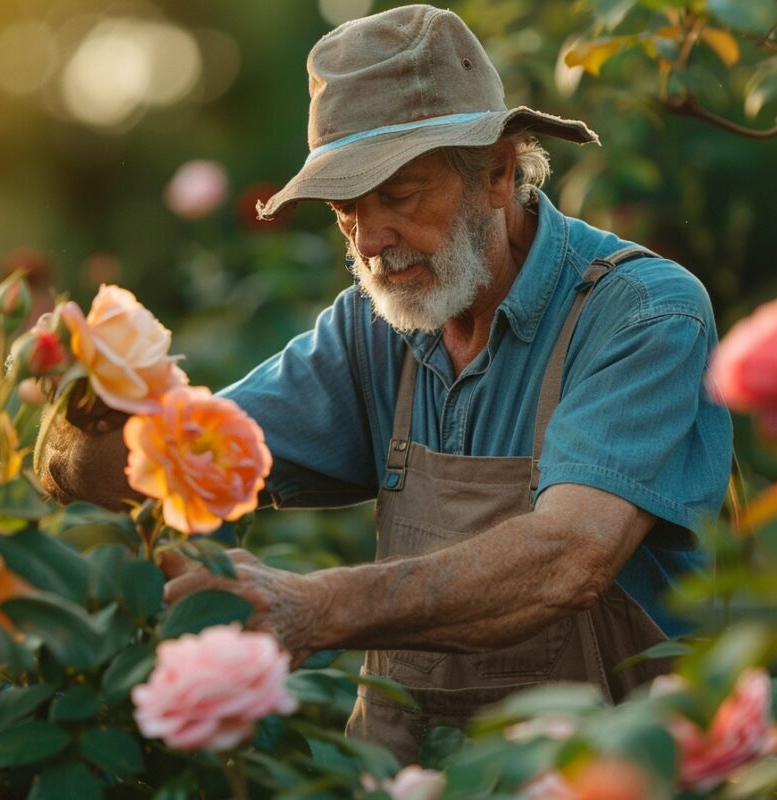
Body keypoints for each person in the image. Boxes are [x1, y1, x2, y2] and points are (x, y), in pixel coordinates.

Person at [38, 4, 732, 764]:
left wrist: (311, 608)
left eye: (399, 196)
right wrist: (89, 396)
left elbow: (566, 559)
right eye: (346, 212)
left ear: (498, 171)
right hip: (406, 773)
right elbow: (154, 468)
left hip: (607, 769)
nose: (371, 244)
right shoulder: (375, 332)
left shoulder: (641, 314)